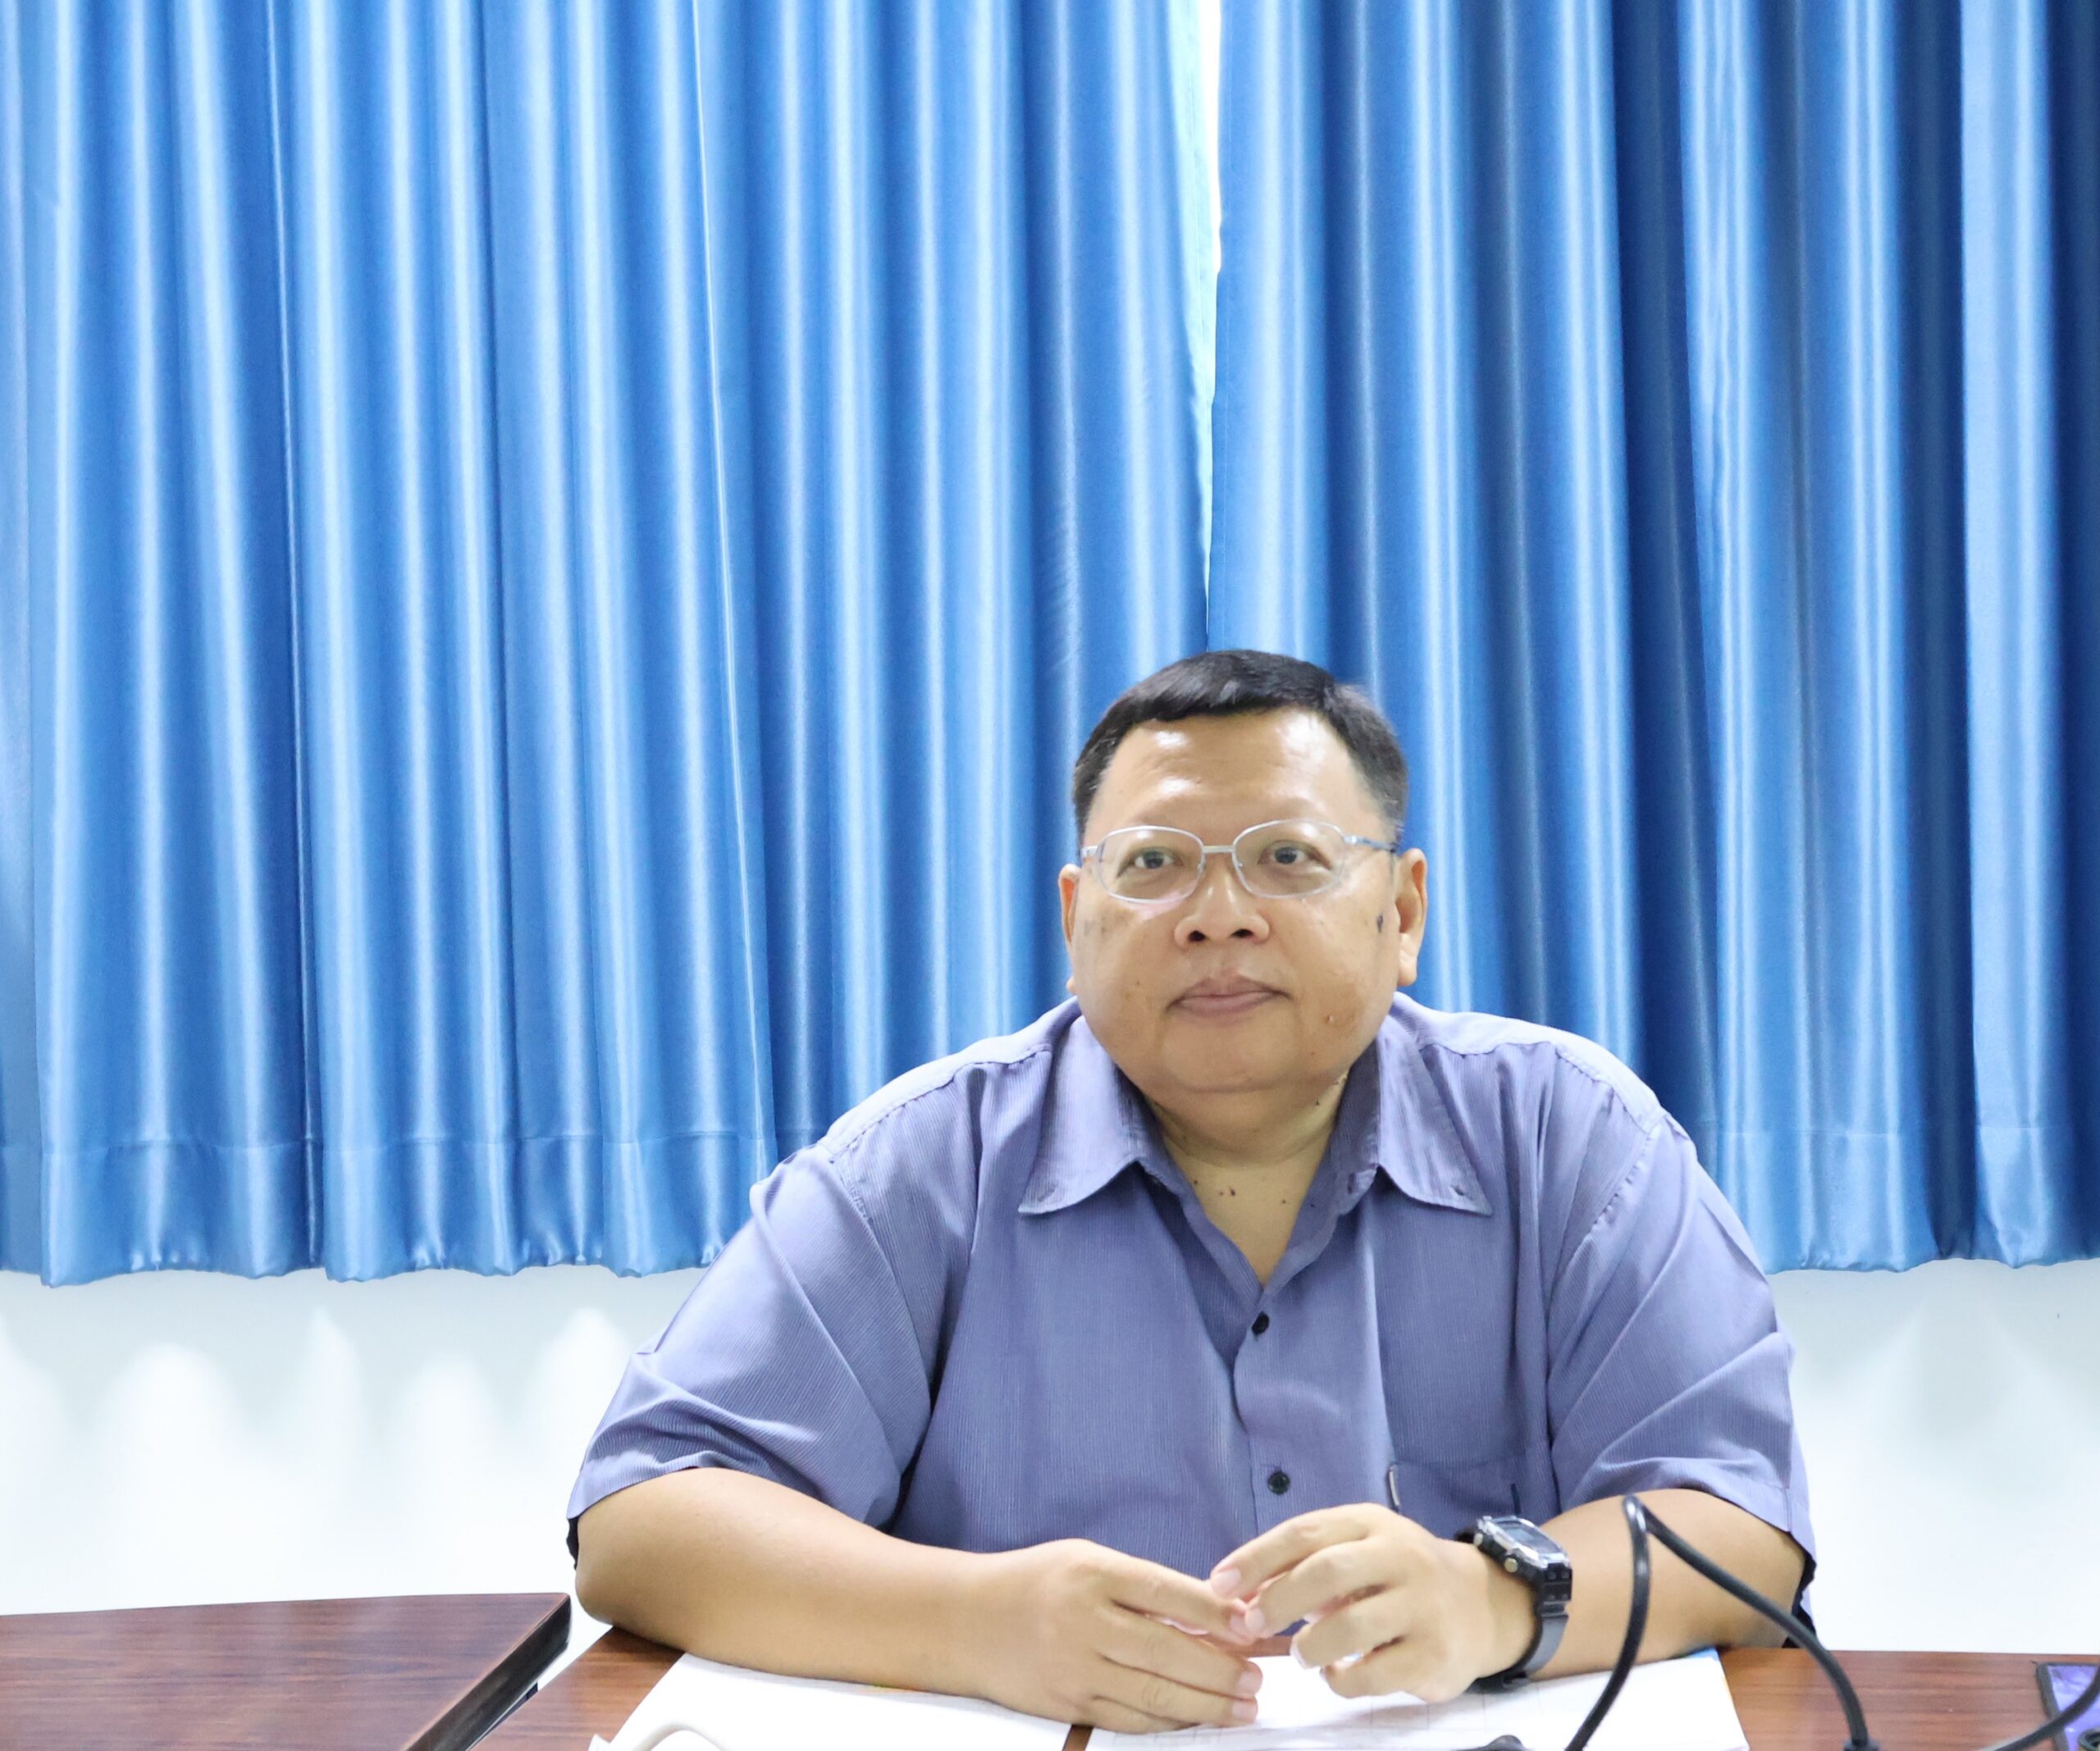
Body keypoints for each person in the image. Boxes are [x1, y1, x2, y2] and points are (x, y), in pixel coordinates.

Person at [569, 650, 1813, 1735]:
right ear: (1078, 919)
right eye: (1156, 864)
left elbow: (1738, 1521)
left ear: (1402, 910)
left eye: (1287, 858)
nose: (1219, 917)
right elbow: (645, 1517)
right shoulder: (927, 1162)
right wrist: (976, 1622)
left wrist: (1493, 1599)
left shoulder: (1568, 1134)